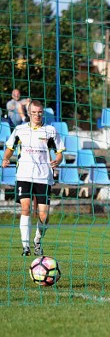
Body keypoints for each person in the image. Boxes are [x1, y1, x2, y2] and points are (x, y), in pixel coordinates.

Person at [2, 100, 64, 256]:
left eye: (40, 112)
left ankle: (37, 241)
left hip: (43, 176)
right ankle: (25, 247)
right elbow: (10, 147)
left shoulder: (50, 131)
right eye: (34, 112)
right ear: (29, 113)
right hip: (24, 174)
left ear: (43, 113)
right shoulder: (20, 129)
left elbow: (59, 152)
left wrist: (58, 159)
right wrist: (6, 158)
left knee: (44, 214)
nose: (37, 115)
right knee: (26, 207)